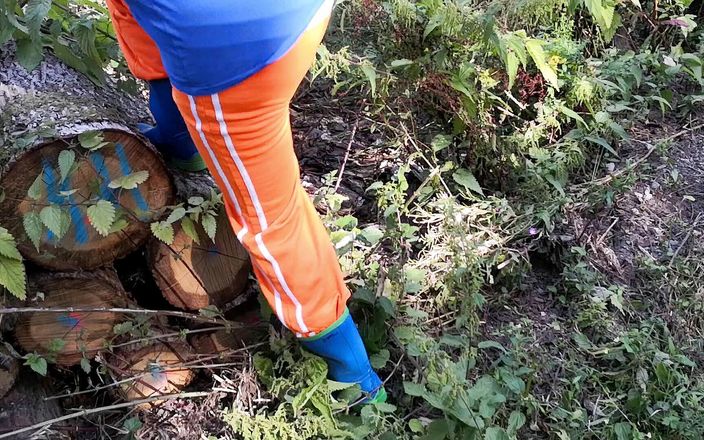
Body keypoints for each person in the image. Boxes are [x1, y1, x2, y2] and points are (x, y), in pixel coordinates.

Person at [105, 0, 386, 403]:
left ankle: (354, 376)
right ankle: (180, 135)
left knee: (272, 220)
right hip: (301, 12)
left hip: (230, 49)